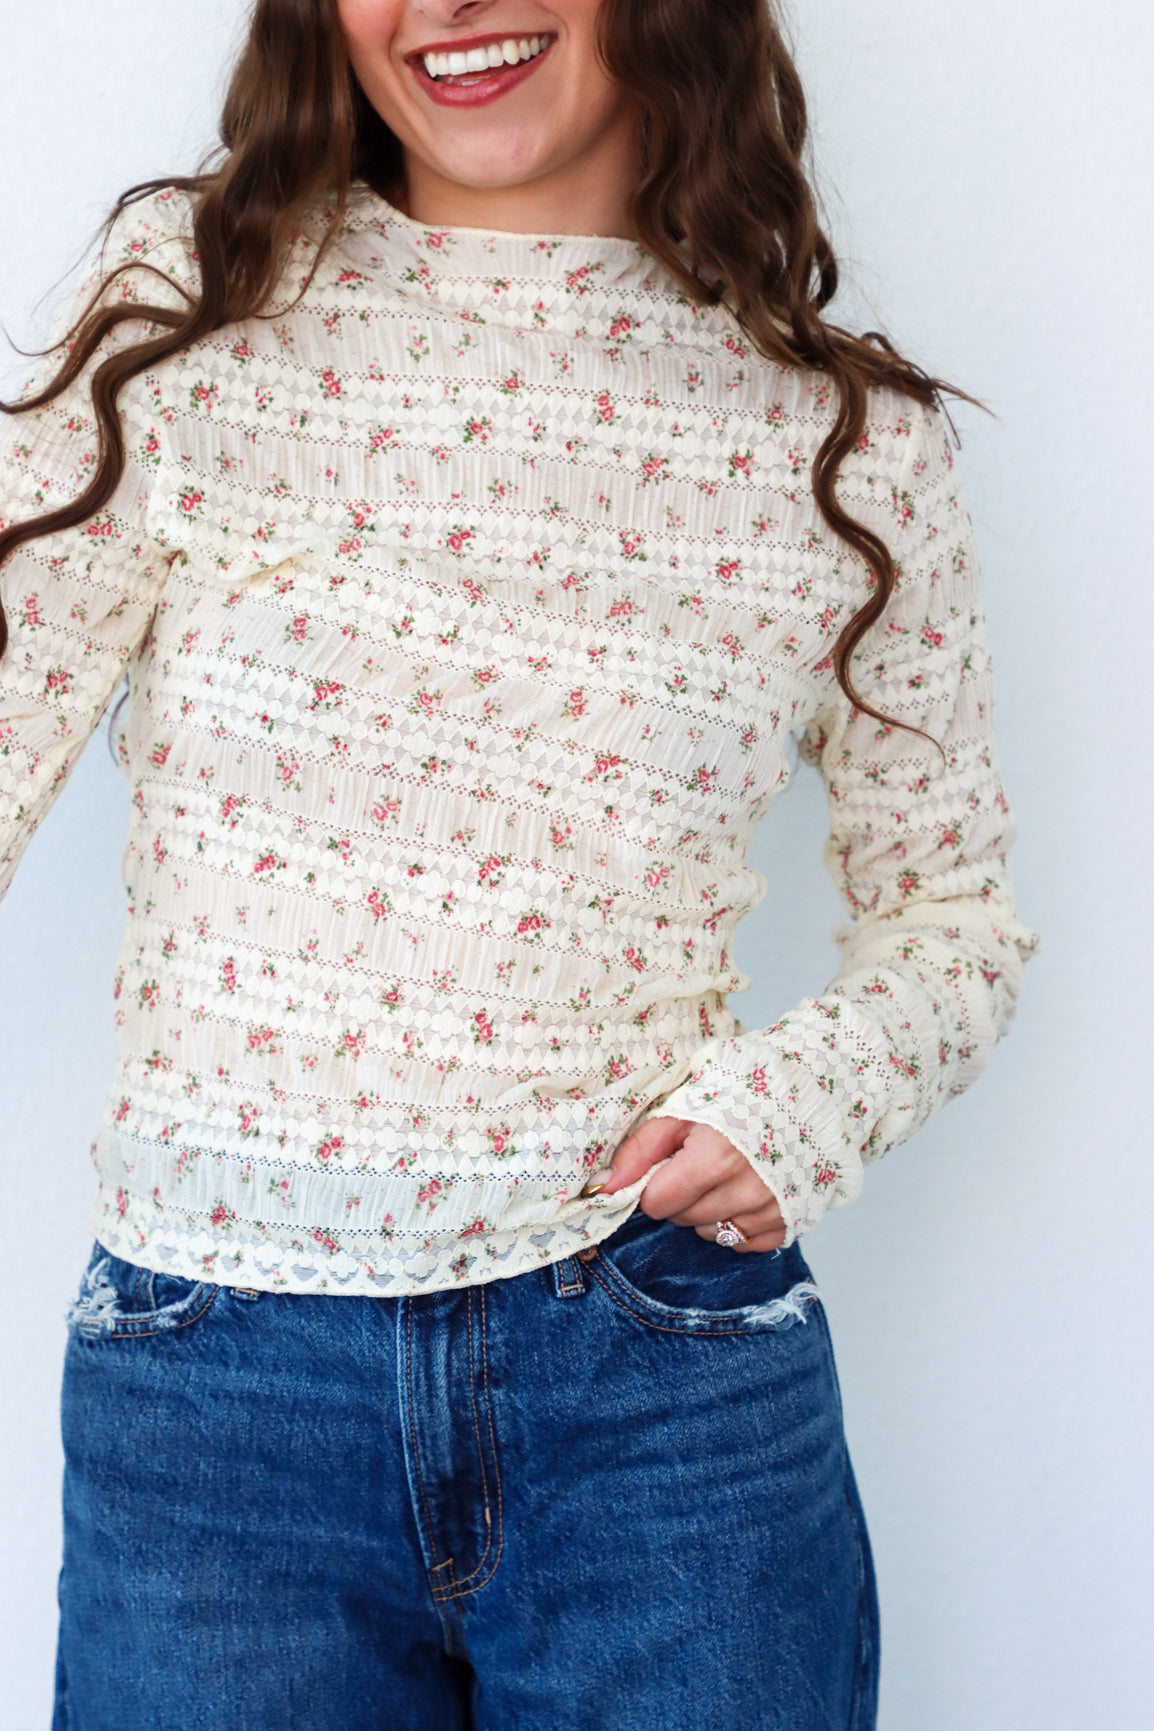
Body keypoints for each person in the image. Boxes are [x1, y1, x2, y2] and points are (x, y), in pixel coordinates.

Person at [0, 2, 1038, 1726]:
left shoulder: (840, 437)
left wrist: (799, 1102)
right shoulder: (194, 312)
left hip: (662, 1381)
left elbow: (953, 917)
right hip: (217, 1387)